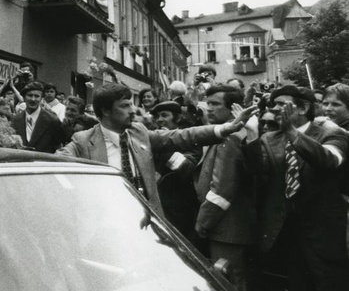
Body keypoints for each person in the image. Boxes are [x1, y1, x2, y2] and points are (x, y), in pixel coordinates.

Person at [57, 83, 255, 217]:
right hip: (107, 222)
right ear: (106, 111)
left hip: (146, 221)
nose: (133, 110)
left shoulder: (139, 132)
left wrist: (224, 129)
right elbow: (54, 163)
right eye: (125, 106)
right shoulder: (83, 141)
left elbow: (183, 136)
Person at [244, 85, 349, 291]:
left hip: (324, 238)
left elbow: (328, 160)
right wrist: (250, 137)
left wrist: (292, 132)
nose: (275, 110)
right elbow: (257, 176)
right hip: (287, 238)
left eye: (282, 105)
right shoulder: (269, 138)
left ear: (302, 108)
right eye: (273, 105)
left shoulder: (332, 135)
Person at [193, 86, 256, 291]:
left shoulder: (231, 138)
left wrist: (203, 222)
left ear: (233, 109)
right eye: (207, 103)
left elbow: (222, 189)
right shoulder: (223, 133)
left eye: (215, 104)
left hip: (226, 228)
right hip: (225, 227)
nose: (209, 109)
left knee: (230, 284)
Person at [148, 100, 201, 245]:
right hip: (158, 206)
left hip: (180, 209)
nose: (160, 120)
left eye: (164, 115)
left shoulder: (189, 139)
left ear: (177, 118)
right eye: (157, 116)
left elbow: (188, 169)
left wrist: (166, 148)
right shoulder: (153, 138)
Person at [11, 82, 64, 153]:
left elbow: (58, 148)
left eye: (37, 96)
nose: (33, 99)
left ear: (42, 99)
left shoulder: (52, 120)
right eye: (30, 95)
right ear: (24, 98)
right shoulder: (16, 119)